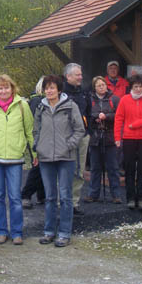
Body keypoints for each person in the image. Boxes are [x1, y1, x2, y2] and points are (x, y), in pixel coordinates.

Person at [33, 74, 85, 247]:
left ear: (59, 89)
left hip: (66, 157)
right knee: (49, 197)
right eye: (46, 88)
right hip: (46, 157)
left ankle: (64, 233)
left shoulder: (71, 106)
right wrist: (37, 146)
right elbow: (36, 130)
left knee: (65, 197)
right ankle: (49, 232)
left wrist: (69, 145)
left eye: (52, 87)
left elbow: (80, 130)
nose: (49, 90)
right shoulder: (41, 108)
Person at [0, 74, 34, 245]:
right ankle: (2, 231)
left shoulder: (22, 106)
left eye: (6, 87)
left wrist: (35, 154)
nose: (3, 91)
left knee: (15, 198)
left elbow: (30, 131)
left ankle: (17, 232)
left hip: (15, 159)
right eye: (0, 88)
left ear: (12, 88)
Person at [114, 73, 142, 211]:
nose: (138, 89)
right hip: (129, 139)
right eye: (136, 86)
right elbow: (118, 119)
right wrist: (117, 138)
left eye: (140, 86)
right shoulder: (124, 100)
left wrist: (136, 124)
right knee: (130, 169)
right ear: (131, 87)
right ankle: (131, 198)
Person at [85, 76, 122, 203]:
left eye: (103, 85)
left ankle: (116, 195)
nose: (102, 87)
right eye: (99, 85)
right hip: (95, 137)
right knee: (95, 167)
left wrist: (106, 116)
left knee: (112, 167)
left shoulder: (114, 99)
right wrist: (95, 117)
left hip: (110, 136)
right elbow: (86, 116)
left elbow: (119, 115)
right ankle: (93, 194)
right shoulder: (89, 100)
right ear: (94, 87)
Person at [62, 63, 91, 215]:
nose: (80, 77)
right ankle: (62, 202)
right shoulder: (60, 93)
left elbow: (89, 112)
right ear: (68, 77)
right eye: (77, 75)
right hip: (65, 138)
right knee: (63, 170)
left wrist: (88, 132)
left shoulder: (84, 92)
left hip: (83, 136)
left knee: (79, 171)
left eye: (80, 74)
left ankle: (73, 203)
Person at [21, 76, 46, 209]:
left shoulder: (36, 100)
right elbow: (32, 124)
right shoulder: (37, 101)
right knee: (38, 168)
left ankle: (42, 195)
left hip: (44, 139)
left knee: (43, 168)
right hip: (37, 140)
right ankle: (26, 194)